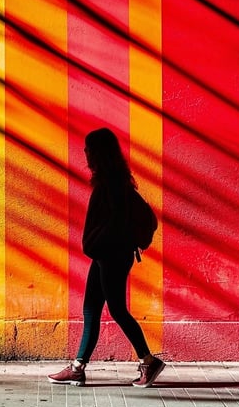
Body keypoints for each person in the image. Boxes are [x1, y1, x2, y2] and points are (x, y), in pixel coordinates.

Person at [48, 127, 165, 388]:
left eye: (89, 150)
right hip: (106, 255)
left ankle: (148, 361)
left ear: (99, 153)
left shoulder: (110, 185)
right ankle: (78, 367)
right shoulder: (114, 181)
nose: (86, 155)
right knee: (91, 309)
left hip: (111, 256)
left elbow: (112, 223)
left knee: (117, 310)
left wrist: (100, 244)